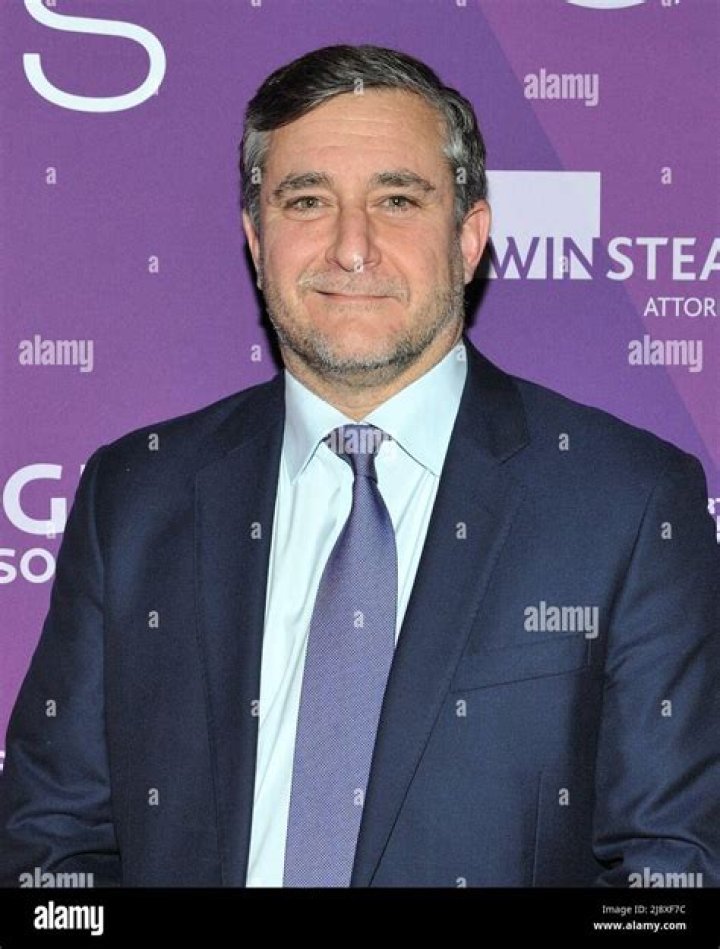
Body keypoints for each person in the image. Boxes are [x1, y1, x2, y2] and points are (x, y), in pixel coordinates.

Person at [0, 44, 718, 889]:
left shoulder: (625, 504)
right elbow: (51, 847)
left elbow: (672, 871)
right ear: (256, 241)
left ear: (469, 238)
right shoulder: (134, 497)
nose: (352, 247)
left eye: (397, 199)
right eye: (307, 200)